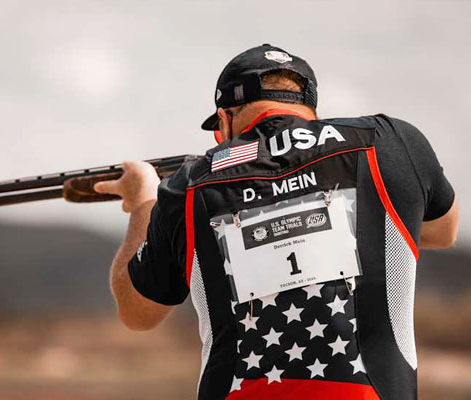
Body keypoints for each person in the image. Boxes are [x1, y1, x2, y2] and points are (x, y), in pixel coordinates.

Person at [93, 44, 459, 400]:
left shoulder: (187, 186)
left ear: (225, 117)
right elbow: (443, 231)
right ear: (308, 110)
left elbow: (137, 312)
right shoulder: (389, 142)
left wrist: (144, 199)